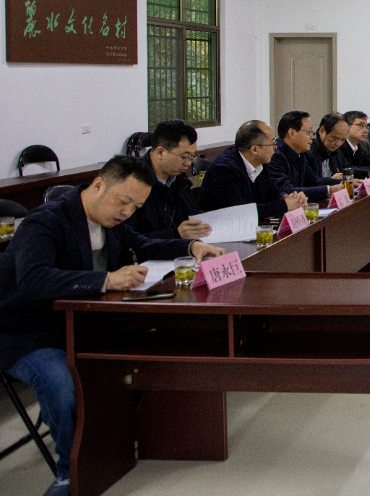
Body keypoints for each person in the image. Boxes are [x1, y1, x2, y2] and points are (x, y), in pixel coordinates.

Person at [0, 156, 225, 496]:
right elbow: (33, 279)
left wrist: (191, 246)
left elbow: (143, 245)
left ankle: (118, 443)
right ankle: (69, 473)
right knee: (60, 380)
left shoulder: (111, 221)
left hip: (83, 321)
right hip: (28, 331)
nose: (126, 212)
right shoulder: (45, 222)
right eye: (123, 201)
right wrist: (106, 280)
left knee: (151, 349)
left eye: (136, 207)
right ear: (98, 185)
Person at [198, 120, 305, 222]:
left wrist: (286, 197)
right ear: (254, 149)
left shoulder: (261, 162)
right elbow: (239, 212)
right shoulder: (225, 170)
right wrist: (284, 205)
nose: (275, 147)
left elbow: (272, 192)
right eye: (272, 143)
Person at [127, 119, 212, 240]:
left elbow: (191, 212)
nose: (188, 163)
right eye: (184, 156)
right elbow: (129, 241)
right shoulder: (132, 182)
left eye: (191, 156)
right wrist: (175, 234)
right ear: (160, 152)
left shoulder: (178, 177)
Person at [265, 110, 342, 203]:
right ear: (292, 133)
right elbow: (287, 190)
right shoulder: (275, 155)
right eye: (308, 132)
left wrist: (344, 182)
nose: (312, 137)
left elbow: (313, 180)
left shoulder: (299, 153)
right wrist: (329, 190)